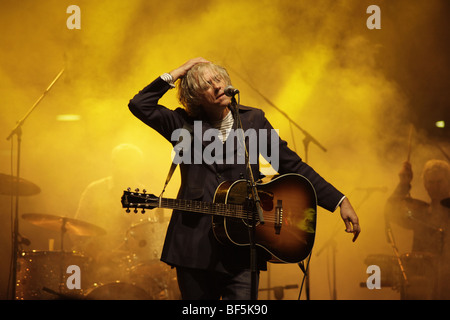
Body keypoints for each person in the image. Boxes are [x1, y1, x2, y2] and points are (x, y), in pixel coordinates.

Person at [128, 57, 361, 300]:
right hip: (193, 247)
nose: (217, 86)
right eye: (206, 84)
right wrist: (180, 72)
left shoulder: (253, 120)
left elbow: (292, 166)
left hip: (242, 247)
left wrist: (339, 201)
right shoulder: (182, 124)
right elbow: (139, 104)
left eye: (218, 79)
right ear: (195, 96)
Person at [385, 159, 450, 299]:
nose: (435, 187)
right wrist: (403, 183)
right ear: (425, 185)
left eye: (439, 182)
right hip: (421, 285)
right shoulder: (421, 212)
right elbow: (391, 212)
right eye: (431, 182)